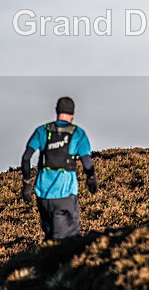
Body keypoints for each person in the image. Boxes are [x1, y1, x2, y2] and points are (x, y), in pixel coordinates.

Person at [21, 96, 98, 241]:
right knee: (66, 243)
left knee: (50, 237)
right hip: (65, 195)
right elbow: (87, 162)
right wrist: (91, 179)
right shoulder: (78, 133)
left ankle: (45, 262)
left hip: (42, 196)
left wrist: (26, 184)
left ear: (56, 111)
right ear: (73, 114)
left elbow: (26, 158)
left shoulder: (42, 131)